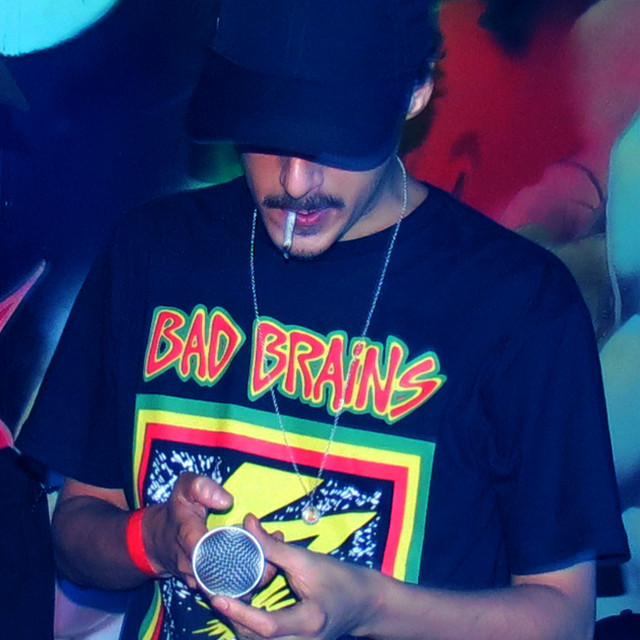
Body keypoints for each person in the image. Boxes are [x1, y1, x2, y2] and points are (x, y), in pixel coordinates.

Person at [17, 1, 629, 639]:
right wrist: (153, 540)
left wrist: (373, 608)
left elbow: (565, 618)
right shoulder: (152, 253)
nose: (295, 180)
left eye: (335, 136)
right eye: (266, 131)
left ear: (416, 92)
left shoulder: (519, 303)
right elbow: (76, 531)